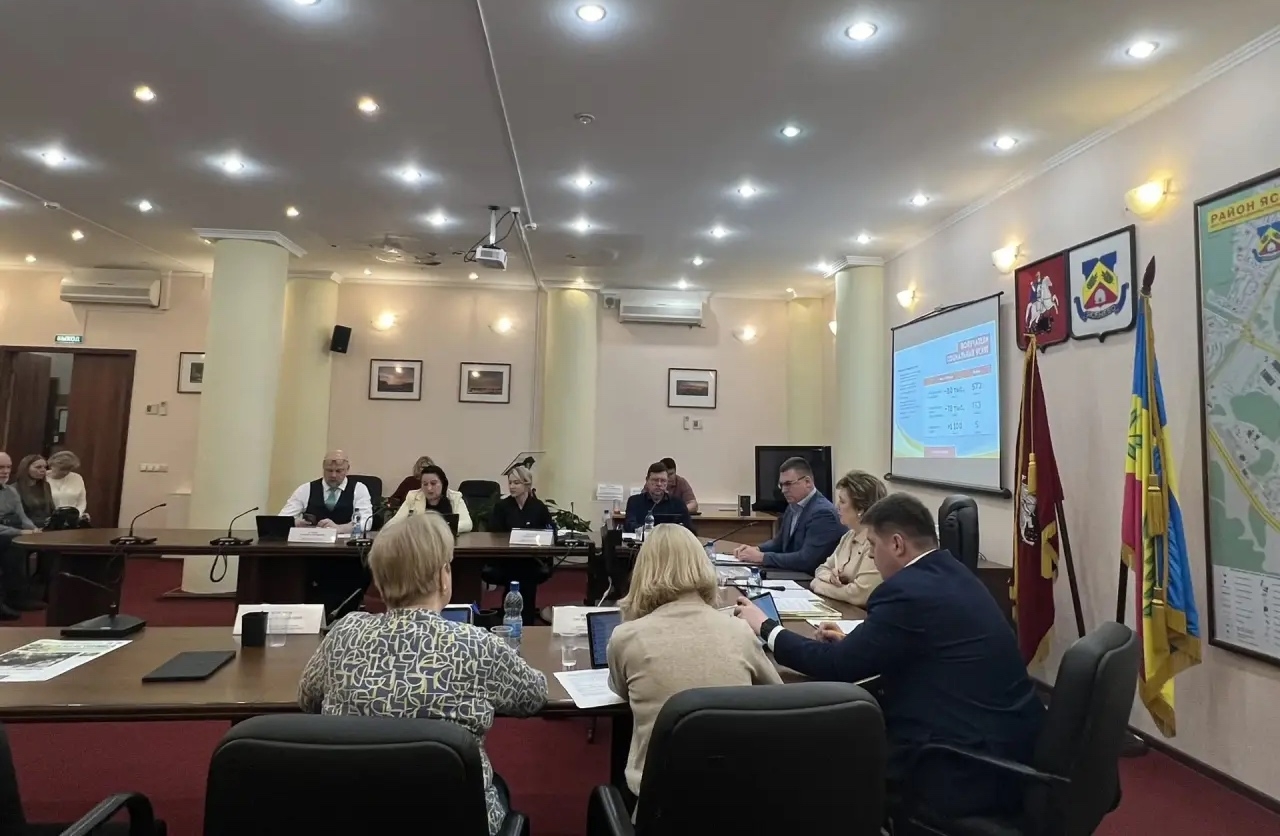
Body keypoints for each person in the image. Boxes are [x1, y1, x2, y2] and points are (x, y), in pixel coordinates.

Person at [734, 493, 1044, 820]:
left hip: (960, 764)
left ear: (896, 544)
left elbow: (836, 666)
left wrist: (766, 627)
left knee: (822, 749)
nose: (870, 555)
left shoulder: (906, 591)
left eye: (872, 545)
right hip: (1010, 746)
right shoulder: (953, 572)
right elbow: (920, 644)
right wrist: (857, 642)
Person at [299, 513, 546, 836]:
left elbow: (307, 700)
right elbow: (534, 696)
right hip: (454, 818)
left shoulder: (343, 633)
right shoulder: (476, 645)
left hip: (353, 814)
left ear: (380, 581)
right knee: (496, 788)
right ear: (443, 577)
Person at [608, 524, 780, 799]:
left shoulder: (626, 637)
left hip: (660, 799)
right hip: (738, 794)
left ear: (642, 572)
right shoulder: (739, 631)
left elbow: (620, 691)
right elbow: (778, 696)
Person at [279, 451, 375, 618]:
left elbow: (366, 522)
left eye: (339, 471)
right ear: (323, 468)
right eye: (329, 470)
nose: (333, 475)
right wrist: (296, 522)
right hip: (312, 554)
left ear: (347, 469)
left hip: (347, 557)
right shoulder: (306, 489)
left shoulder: (359, 489)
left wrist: (339, 528)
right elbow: (282, 518)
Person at [734, 456, 845, 574]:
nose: (783, 490)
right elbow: (779, 542)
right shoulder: (793, 506)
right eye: (781, 485)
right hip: (792, 572)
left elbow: (807, 560)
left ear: (807, 482)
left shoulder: (823, 513)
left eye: (788, 484)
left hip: (810, 577)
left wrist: (762, 557)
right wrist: (757, 549)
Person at [483, 466, 554, 624]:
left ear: (527, 484)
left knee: (526, 571)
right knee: (518, 571)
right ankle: (512, 618)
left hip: (532, 558)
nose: (512, 486)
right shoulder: (502, 507)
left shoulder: (538, 507)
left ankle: (525, 619)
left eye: (516, 483)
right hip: (507, 558)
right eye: (510, 483)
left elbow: (549, 531)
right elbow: (494, 534)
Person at [809, 470, 887, 607]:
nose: (837, 506)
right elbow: (822, 569)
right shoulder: (849, 536)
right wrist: (831, 578)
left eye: (842, 501)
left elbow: (859, 595)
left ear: (860, 509)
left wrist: (820, 586)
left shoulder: (875, 542)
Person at [0, 452, 40, 619]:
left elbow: (23, 518)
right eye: (1, 467)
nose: (5, 471)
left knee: (37, 545)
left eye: (8, 467)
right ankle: (11, 598)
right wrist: (20, 532)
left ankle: (21, 595)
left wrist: (34, 530)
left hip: (10, 532)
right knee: (13, 545)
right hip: (6, 534)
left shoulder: (11, 491)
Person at [385, 464, 473, 533]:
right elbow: (394, 522)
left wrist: (438, 528)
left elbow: (467, 524)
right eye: (425, 484)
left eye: (433, 483)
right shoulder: (413, 496)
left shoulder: (455, 497)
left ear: (443, 483)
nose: (429, 488)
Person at [623, 462, 692, 533]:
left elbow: (689, 529)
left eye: (663, 481)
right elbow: (629, 526)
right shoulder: (634, 501)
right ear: (647, 481)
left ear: (667, 482)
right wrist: (650, 530)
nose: (659, 484)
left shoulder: (678, 503)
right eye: (655, 480)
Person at [13, 455, 54, 530]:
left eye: (45, 467)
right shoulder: (14, 489)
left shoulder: (46, 486)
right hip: (26, 529)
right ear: (26, 469)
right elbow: (16, 516)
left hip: (47, 528)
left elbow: (51, 509)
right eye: (38, 467)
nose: (43, 470)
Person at [46, 450, 89, 521]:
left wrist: (77, 515)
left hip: (73, 520)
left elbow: (81, 502)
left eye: (69, 469)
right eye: (62, 469)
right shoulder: (43, 478)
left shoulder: (77, 478)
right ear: (52, 465)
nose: (65, 472)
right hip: (49, 520)